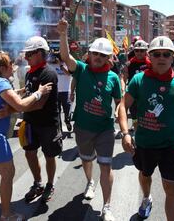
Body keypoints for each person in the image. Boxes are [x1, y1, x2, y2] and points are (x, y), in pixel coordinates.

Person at [118, 36, 174, 221]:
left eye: (166, 54)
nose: (161, 57)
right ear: (150, 56)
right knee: (145, 174)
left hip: (171, 144)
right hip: (144, 144)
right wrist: (125, 133)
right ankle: (146, 197)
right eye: (156, 54)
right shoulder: (138, 80)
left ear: (173, 56)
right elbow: (122, 107)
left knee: (171, 189)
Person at [0, 51, 52, 220]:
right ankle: (6, 214)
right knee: (8, 173)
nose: (13, 66)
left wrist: (23, 90)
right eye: (10, 64)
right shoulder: (1, 82)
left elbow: (9, 95)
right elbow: (21, 106)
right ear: (3, 68)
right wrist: (39, 92)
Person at [58, 19, 122, 221]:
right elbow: (66, 57)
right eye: (95, 53)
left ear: (108, 58)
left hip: (105, 130)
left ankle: (107, 206)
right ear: (89, 54)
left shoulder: (113, 77)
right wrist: (62, 34)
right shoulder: (82, 69)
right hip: (83, 128)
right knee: (87, 160)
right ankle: (89, 182)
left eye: (102, 55)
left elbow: (119, 103)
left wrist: (124, 126)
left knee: (106, 165)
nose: (98, 58)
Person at [20, 36, 62, 204]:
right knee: (30, 153)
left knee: (49, 155)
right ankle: (38, 183)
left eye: (29, 54)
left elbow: (39, 104)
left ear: (39, 53)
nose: (25, 57)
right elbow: (29, 93)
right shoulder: (30, 72)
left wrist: (17, 107)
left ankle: (49, 185)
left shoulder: (48, 73)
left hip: (47, 124)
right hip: (30, 122)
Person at [120, 40, 150, 134]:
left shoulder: (151, 64)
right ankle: (137, 135)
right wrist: (123, 89)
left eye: (142, 50)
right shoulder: (128, 64)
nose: (139, 53)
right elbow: (123, 78)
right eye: (137, 50)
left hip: (147, 95)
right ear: (134, 51)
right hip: (133, 95)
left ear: (146, 51)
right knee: (135, 118)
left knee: (148, 118)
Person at [48, 51, 73, 132]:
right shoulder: (51, 65)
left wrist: (61, 65)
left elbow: (69, 74)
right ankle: (59, 128)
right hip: (56, 92)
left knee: (67, 111)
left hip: (66, 91)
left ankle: (67, 121)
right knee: (57, 111)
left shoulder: (67, 64)